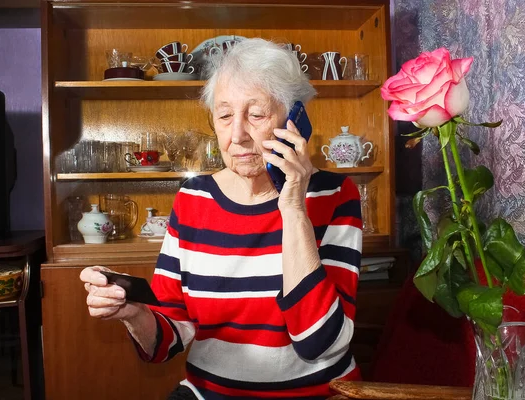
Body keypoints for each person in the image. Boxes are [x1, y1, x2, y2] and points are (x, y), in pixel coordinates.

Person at [80, 38, 363, 399]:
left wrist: (293, 209)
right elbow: (166, 341)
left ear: (296, 119)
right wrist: (133, 312)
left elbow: (320, 342)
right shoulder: (193, 198)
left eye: (256, 115)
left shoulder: (336, 195)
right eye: (225, 115)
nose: (237, 136)